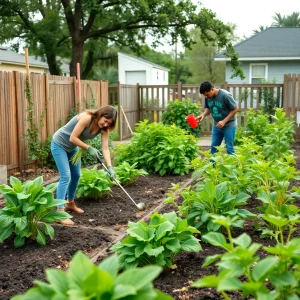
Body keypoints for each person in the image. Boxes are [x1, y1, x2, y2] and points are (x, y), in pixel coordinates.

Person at [51, 105, 117, 226]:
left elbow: (105, 148)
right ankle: (59, 212)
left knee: (76, 175)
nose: (106, 124)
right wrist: (88, 147)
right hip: (59, 144)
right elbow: (72, 137)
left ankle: (70, 203)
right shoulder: (87, 118)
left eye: (109, 123)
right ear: (100, 114)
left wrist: (110, 167)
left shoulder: (104, 129)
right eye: (105, 120)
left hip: (72, 148)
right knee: (66, 176)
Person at [196, 81, 239, 155]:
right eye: (205, 95)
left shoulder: (225, 95)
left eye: (207, 94)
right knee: (214, 148)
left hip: (229, 125)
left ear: (212, 89)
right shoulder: (208, 97)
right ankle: (213, 166)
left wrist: (224, 121)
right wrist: (202, 115)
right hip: (217, 126)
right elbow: (209, 108)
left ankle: (232, 166)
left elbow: (236, 108)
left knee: (229, 149)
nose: (206, 97)